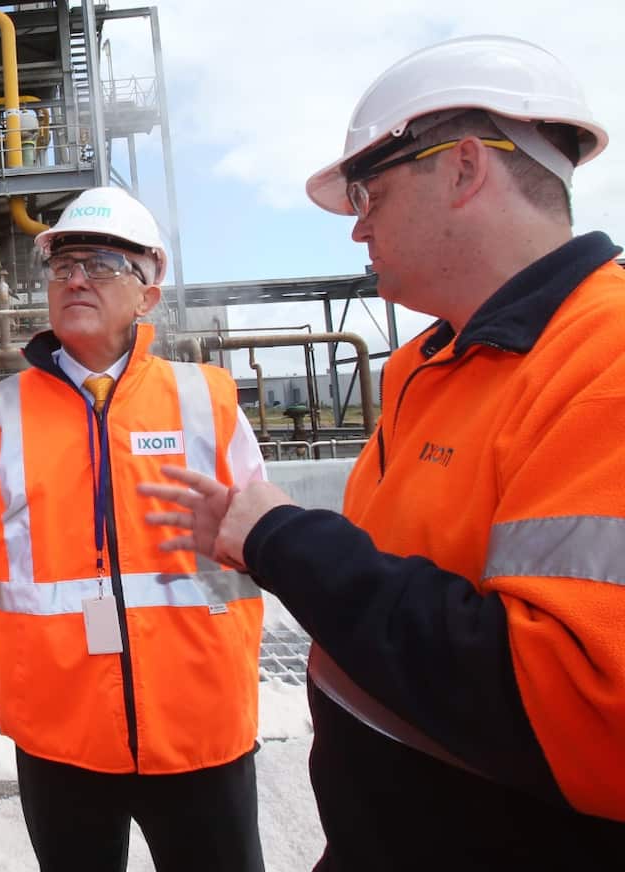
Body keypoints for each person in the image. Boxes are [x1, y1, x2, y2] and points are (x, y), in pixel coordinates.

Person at [140, 35, 625, 870]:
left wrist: (286, 540)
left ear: (465, 169)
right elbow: (407, 579)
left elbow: (582, 712)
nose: (357, 228)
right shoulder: (426, 364)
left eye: (369, 194)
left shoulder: (604, 361)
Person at [0, 186, 267, 872]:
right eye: (61, 266)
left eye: (98, 265)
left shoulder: (205, 400)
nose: (73, 279)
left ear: (147, 292)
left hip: (200, 722)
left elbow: (258, 534)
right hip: (62, 731)